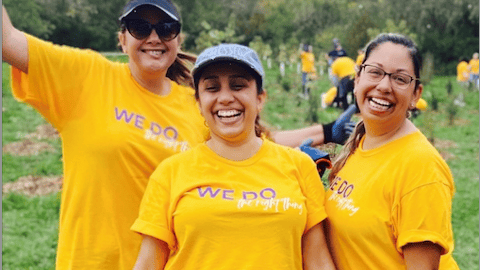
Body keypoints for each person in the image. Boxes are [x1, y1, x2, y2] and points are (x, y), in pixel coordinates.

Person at [2, 0, 355, 268]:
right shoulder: (85, 77)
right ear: (122, 39)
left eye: (166, 27)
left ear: (177, 39)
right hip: (94, 260)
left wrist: (320, 133)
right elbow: (7, 39)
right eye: (140, 26)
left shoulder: (194, 103)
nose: (153, 37)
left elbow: (249, 144)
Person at [131, 43, 336, 270]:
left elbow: (318, 262)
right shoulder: (170, 172)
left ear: (260, 99)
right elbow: (148, 265)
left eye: (238, 86)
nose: (226, 97)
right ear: (198, 103)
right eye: (212, 88)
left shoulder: (299, 166)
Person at [325, 33, 459, 269]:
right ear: (357, 79)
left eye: (400, 78)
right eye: (375, 72)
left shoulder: (421, 168)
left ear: (415, 95)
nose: (384, 86)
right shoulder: (363, 143)